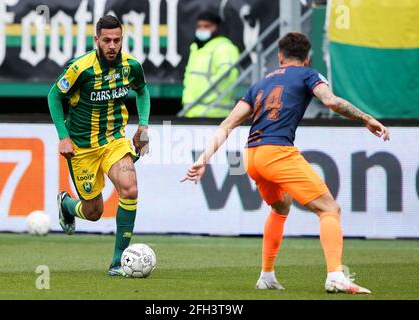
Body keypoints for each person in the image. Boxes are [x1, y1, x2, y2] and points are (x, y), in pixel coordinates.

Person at [182, 32, 390, 294]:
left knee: (281, 206)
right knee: (329, 209)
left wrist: (203, 158)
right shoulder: (308, 74)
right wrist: (366, 118)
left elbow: (229, 123)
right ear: (307, 58)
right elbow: (331, 101)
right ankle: (335, 275)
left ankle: (266, 275)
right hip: (277, 151)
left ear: (280, 57)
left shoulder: (259, 84)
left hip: (253, 156)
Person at [47, 15, 150, 277]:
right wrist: (63, 135)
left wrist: (143, 126)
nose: (112, 45)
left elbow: (142, 91)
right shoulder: (81, 68)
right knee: (93, 212)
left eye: (117, 40)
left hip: (114, 140)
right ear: (96, 40)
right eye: (107, 40)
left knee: (130, 189)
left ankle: (118, 262)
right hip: (82, 147)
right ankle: (67, 205)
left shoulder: (131, 66)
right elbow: (54, 95)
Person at [181, 11, 240, 118]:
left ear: (217, 27)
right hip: (191, 113)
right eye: (199, 26)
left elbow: (227, 79)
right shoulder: (196, 49)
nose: (202, 29)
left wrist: (203, 97)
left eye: (207, 26)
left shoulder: (225, 47)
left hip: (215, 114)